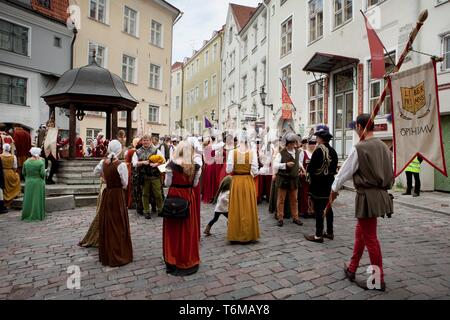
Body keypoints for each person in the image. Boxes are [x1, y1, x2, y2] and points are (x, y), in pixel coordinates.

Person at [331, 114, 393, 292]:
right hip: (380, 194)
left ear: (359, 126)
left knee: (370, 238)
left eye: (355, 127)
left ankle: (377, 279)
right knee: (361, 233)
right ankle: (351, 269)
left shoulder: (360, 148)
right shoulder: (384, 147)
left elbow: (345, 172)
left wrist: (333, 189)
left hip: (367, 197)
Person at [163, 141, 202, 276]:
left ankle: (172, 257)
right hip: (188, 198)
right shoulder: (196, 167)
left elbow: (167, 183)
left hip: (174, 196)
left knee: (173, 230)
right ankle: (186, 257)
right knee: (187, 229)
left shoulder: (171, 165)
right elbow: (195, 184)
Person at [95, 140, 133, 267]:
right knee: (118, 223)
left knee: (108, 222)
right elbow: (125, 184)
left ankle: (107, 252)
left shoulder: (103, 162)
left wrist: (105, 177)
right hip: (117, 195)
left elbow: (95, 172)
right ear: (119, 150)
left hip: (108, 193)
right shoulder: (120, 165)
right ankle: (118, 253)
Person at [304, 125, 338, 243]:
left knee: (319, 209)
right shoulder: (333, 151)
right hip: (329, 183)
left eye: (317, 137)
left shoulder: (318, 151)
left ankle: (318, 235)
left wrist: (309, 176)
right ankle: (329, 232)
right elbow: (334, 169)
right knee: (328, 207)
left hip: (318, 185)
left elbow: (312, 169)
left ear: (321, 138)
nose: (316, 139)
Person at [226, 131, 260, 243]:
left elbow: (228, 170)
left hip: (236, 181)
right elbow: (255, 170)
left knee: (236, 207)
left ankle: (236, 234)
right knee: (247, 206)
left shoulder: (232, 153)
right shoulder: (252, 153)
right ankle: (248, 233)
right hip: (248, 181)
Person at [273, 133, 304, 227]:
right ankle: (280, 218)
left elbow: (298, 162)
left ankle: (295, 217)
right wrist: (285, 165)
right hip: (283, 178)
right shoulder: (281, 153)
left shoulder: (298, 152)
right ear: (286, 143)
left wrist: (302, 168)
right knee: (281, 199)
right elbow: (275, 165)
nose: (293, 144)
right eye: (290, 143)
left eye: (294, 142)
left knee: (294, 199)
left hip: (294, 179)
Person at [132, 134, 165, 219]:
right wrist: (143, 162)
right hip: (143, 176)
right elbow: (134, 163)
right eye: (144, 140)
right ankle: (146, 211)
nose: (145, 142)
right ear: (142, 141)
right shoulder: (137, 151)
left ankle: (161, 210)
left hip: (155, 175)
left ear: (150, 141)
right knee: (145, 194)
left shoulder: (156, 150)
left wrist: (156, 164)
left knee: (157, 194)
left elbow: (163, 160)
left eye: (147, 140)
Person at [21, 147, 46, 221]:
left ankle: (27, 215)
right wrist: (46, 172)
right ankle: (36, 215)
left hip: (29, 182)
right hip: (38, 182)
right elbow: (42, 174)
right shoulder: (40, 162)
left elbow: (23, 173)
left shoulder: (26, 162)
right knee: (36, 199)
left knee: (28, 199)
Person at [299, 137, 316, 218]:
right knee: (304, 194)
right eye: (311, 144)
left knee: (313, 194)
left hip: (314, 178)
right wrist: (301, 171)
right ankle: (305, 211)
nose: (313, 145)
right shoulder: (303, 153)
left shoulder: (316, 153)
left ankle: (313, 211)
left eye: (314, 144)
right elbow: (299, 163)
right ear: (308, 144)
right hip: (305, 177)